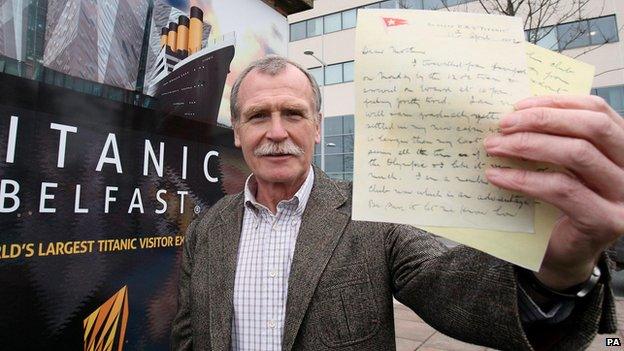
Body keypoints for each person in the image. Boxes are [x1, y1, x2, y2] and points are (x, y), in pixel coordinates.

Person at [171, 55, 623, 350]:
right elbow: (188, 337)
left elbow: (456, 287)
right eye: (257, 117)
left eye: (293, 113)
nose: (276, 132)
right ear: (237, 131)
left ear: (318, 126)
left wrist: (557, 270)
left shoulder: (372, 216)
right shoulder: (208, 231)